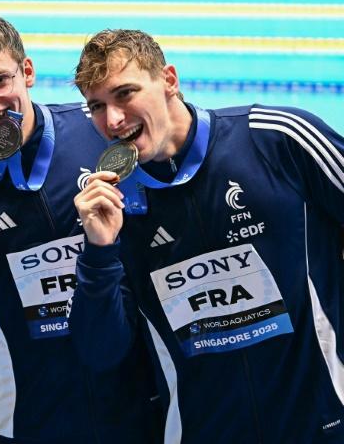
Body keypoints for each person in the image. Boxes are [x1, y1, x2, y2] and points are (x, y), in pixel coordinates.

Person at [70, 28, 344, 443]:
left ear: (169, 81)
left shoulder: (276, 140)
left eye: (124, 93)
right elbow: (100, 352)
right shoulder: (108, 206)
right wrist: (98, 252)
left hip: (323, 424)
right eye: (96, 106)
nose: (112, 120)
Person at [0, 14, 160, 444]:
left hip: (136, 403)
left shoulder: (101, 135)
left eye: (0, 80)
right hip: (35, 416)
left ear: (27, 72)